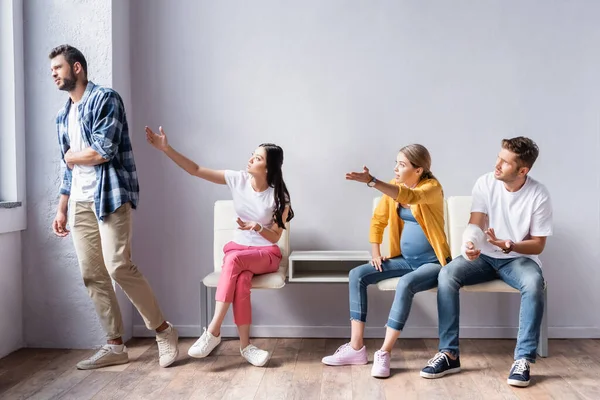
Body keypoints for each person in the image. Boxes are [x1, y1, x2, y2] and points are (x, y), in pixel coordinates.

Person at [50, 45, 179, 370]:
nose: (53, 73)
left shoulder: (106, 99)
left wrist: (72, 156)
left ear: (77, 68)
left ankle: (164, 331)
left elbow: (103, 150)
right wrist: (61, 207)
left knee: (118, 266)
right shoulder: (63, 116)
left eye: (58, 67)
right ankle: (114, 345)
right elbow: (70, 168)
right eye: (52, 69)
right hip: (78, 201)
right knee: (92, 275)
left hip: (109, 196)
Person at [145, 126, 294, 367]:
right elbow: (195, 170)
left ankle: (213, 331)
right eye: (252, 154)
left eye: (257, 158)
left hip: (265, 255)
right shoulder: (238, 180)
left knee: (234, 262)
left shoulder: (279, 197)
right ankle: (246, 347)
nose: (250, 159)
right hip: (238, 251)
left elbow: (275, 237)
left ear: (267, 168)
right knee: (241, 279)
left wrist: (257, 227)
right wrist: (166, 149)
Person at [420, 137, 552, 388]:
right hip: (484, 257)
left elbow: (538, 244)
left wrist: (510, 245)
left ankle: (523, 358)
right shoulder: (485, 182)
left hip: (518, 259)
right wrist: (470, 245)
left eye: (505, 162)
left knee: (534, 283)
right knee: (447, 274)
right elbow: (476, 222)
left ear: (522, 170)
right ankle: (449, 354)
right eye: (498, 158)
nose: (497, 164)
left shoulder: (539, 194)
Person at [322, 144, 451, 378]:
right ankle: (355, 347)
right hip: (404, 260)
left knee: (405, 284)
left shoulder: (432, 188)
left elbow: (411, 197)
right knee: (357, 275)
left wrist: (372, 181)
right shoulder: (395, 189)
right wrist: (375, 252)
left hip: (432, 263)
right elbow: (378, 221)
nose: (396, 168)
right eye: (396, 163)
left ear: (419, 170)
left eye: (402, 164)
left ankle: (384, 352)